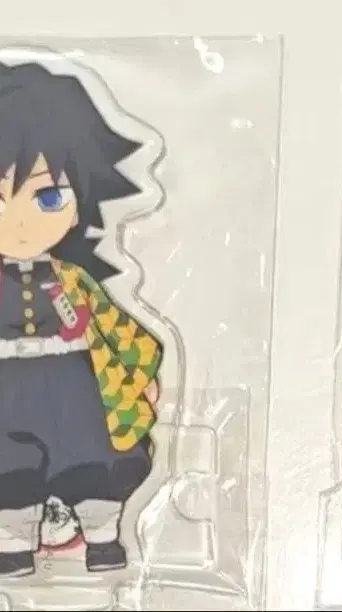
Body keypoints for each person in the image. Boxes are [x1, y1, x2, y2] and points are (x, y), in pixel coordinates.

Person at [0, 61, 163, 576]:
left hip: (73, 379)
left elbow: (116, 327)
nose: (19, 221)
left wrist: (140, 373)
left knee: (90, 455)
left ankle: (103, 537)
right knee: (8, 465)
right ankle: (12, 544)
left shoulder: (73, 278)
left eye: (47, 197)